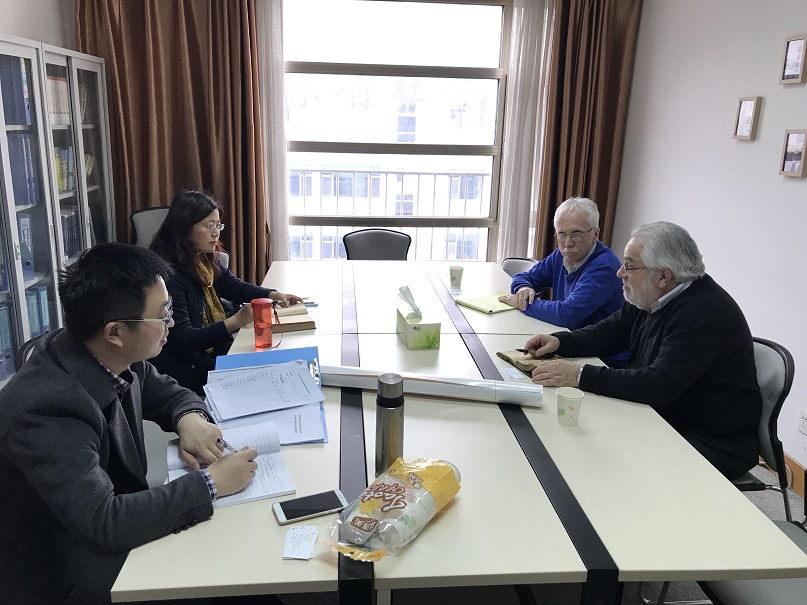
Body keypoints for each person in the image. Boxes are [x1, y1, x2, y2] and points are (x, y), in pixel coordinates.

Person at [0, 243, 259, 604]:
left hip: (104, 524)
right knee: (231, 574)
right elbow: (104, 523)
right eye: (163, 316)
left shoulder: (105, 351)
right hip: (62, 570)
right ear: (116, 332)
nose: (170, 324)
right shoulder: (47, 409)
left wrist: (189, 418)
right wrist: (211, 483)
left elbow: (168, 392)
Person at [524, 221, 761, 479]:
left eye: (629, 266)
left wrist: (579, 374)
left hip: (709, 440)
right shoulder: (651, 294)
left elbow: (658, 385)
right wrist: (561, 342)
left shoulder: (703, 313)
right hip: (663, 415)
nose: (620, 273)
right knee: (579, 437)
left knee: (602, 461)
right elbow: (612, 332)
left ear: (663, 276)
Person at [150, 190, 303, 395]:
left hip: (211, 350)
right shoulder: (169, 273)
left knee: (278, 360)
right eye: (209, 226)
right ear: (185, 228)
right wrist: (236, 321)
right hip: (188, 367)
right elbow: (183, 339)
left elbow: (233, 286)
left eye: (218, 225)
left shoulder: (201, 257)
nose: (216, 233)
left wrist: (273, 294)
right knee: (268, 375)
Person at [498, 197, 627, 366]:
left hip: (603, 359)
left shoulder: (605, 267)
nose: (568, 243)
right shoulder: (562, 254)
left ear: (595, 234)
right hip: (570, 344)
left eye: (576, 234)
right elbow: (526, 277)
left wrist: (523, 304)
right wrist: (522, 288)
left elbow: (567, 314)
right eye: (562, 234)